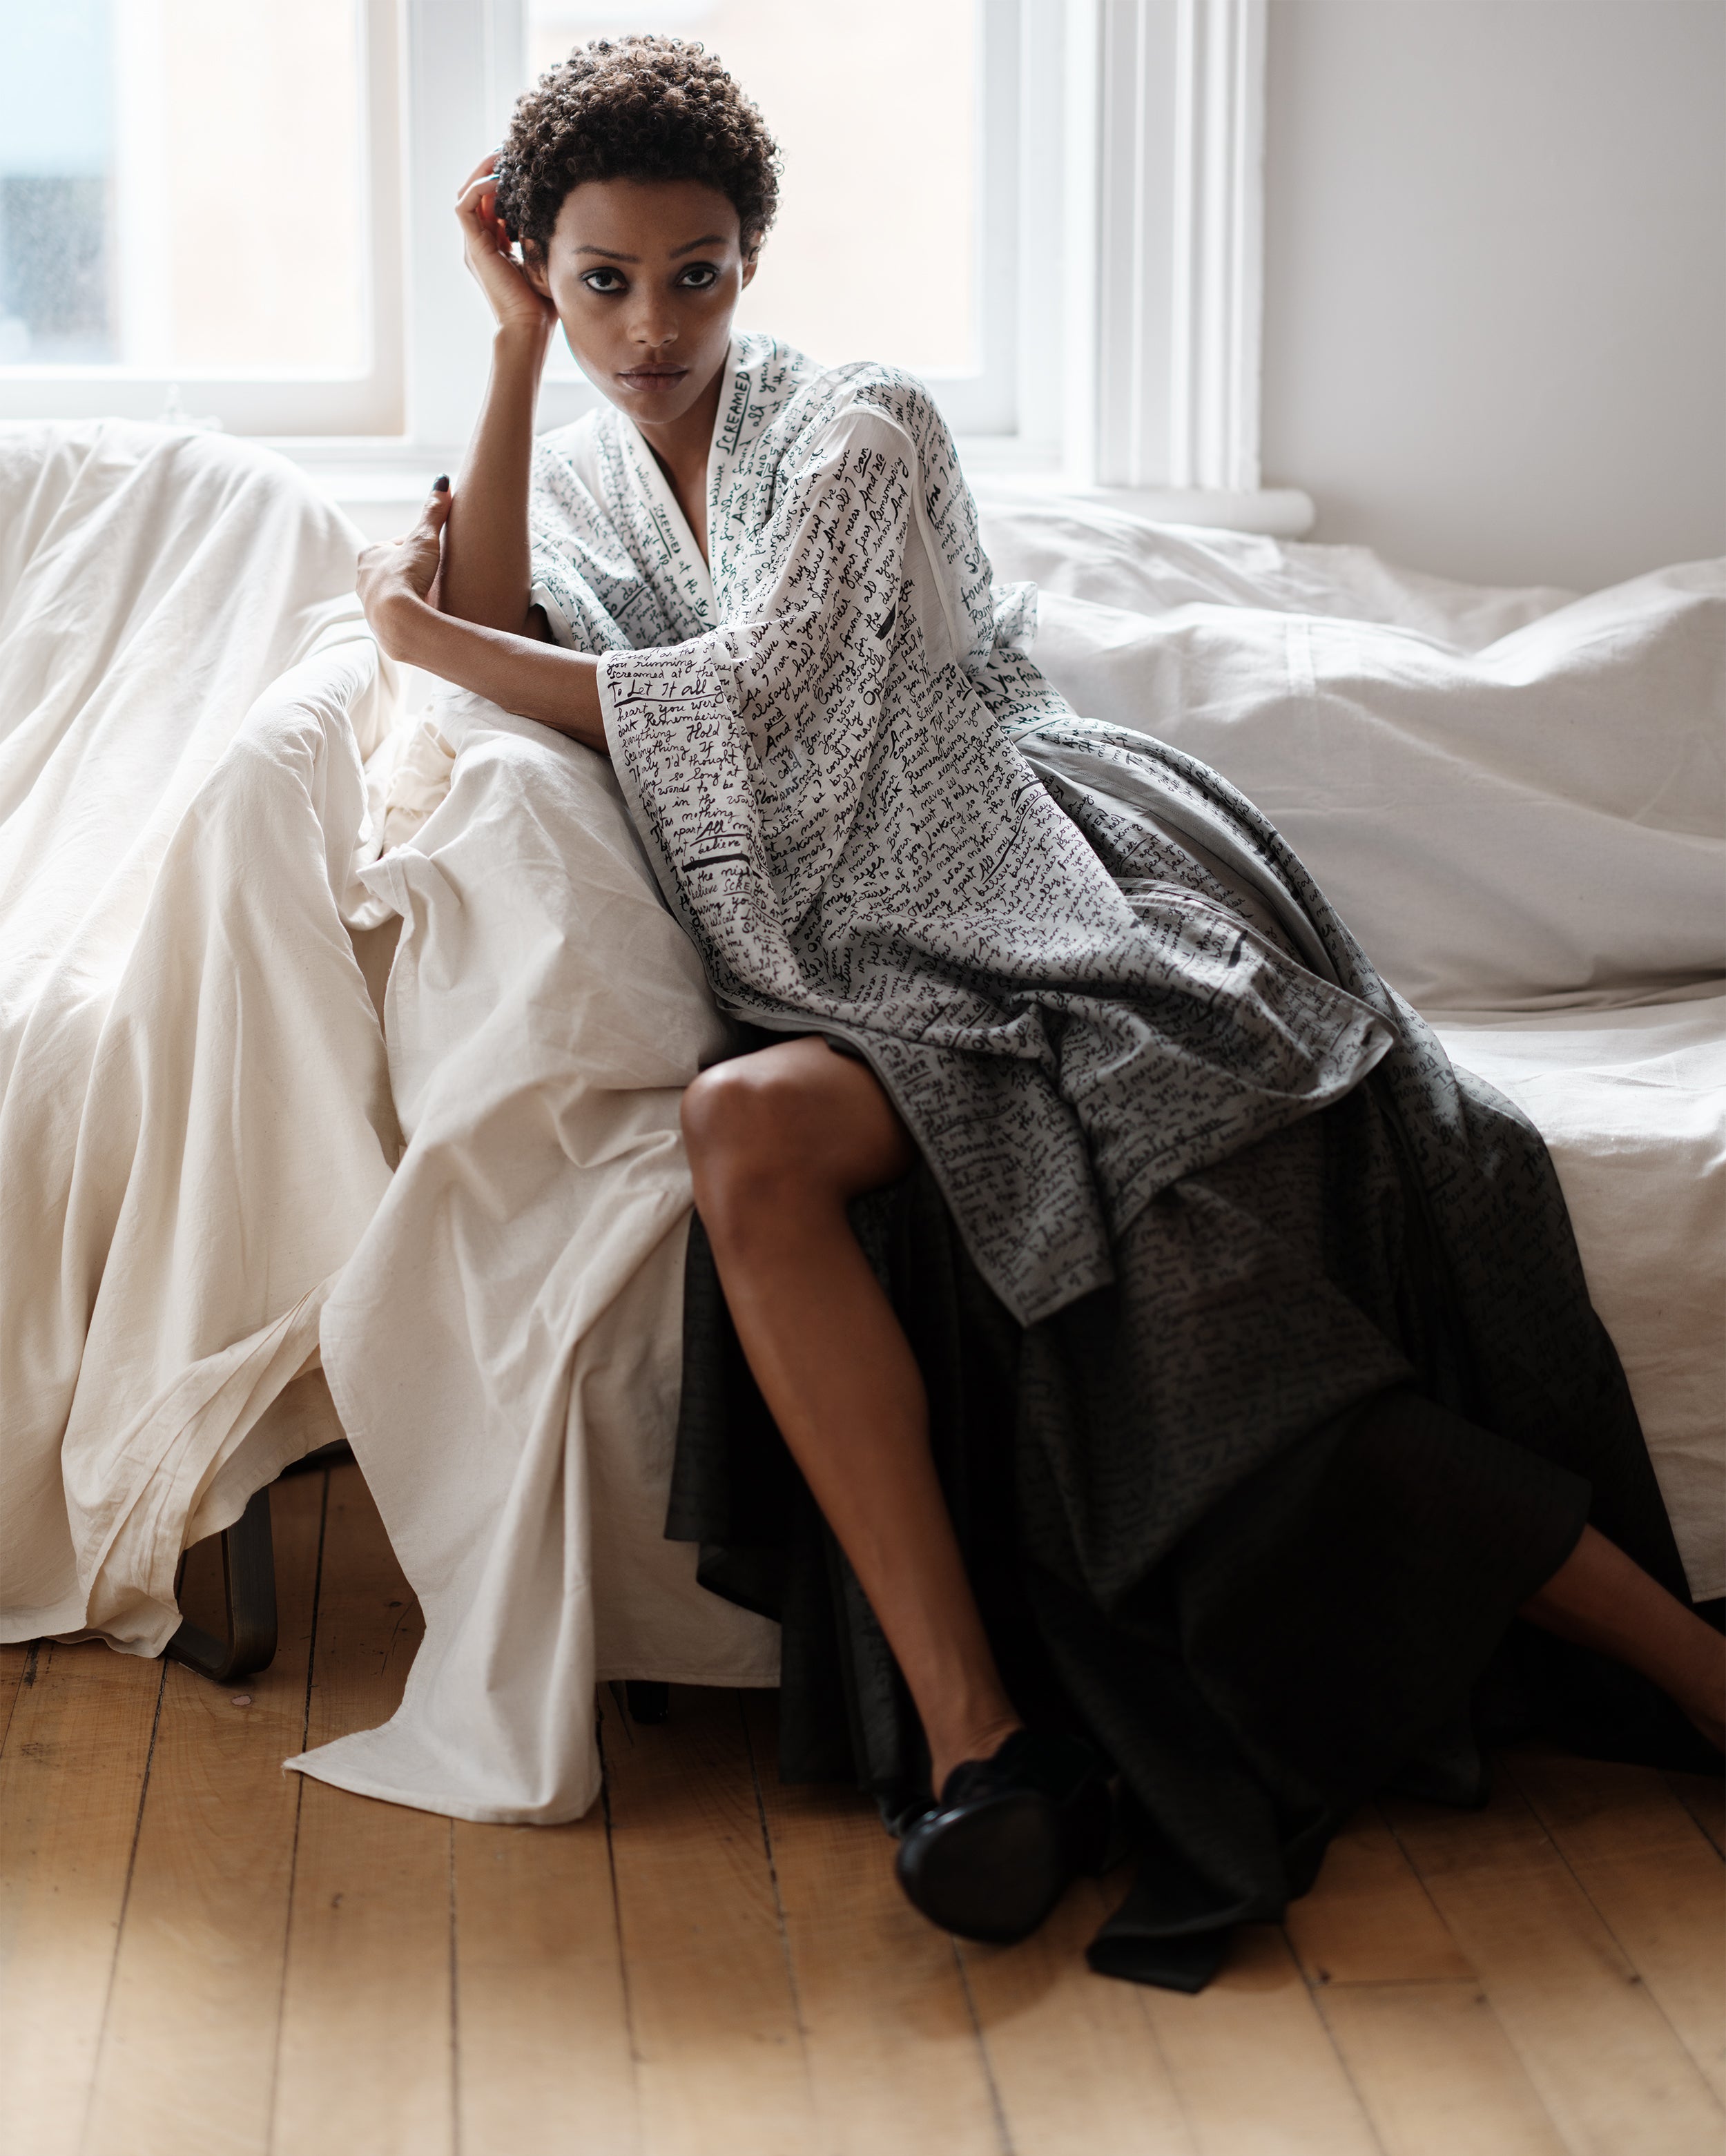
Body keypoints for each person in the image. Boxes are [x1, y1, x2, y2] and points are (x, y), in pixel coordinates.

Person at [356, 35, 1723, 1988]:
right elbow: (516, 626)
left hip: (1042, 878)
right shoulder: (575, 463)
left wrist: (419, 635)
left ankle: (1692, 1671)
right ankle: (975, 1746)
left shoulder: (860, 418)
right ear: (543, 269)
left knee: (1195, 1279)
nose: (649, 322)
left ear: (754, 261)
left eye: (697, 271)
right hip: (825, 956)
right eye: (597, 281)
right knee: (741, 1129)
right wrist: (499, 361)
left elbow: (748, 692)